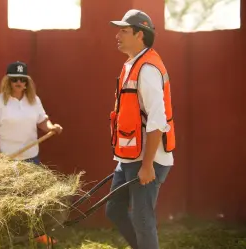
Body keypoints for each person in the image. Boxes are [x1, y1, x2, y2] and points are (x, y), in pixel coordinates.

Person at [106, 9, 176, 249]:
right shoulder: (131, 65)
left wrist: (147, 166)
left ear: (140, 35)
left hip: (149, 159)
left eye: (123, 31)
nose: (117, 35)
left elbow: (158, 120)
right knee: (114, 210)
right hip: (129, 157)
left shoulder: (147, 70)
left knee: (142, 218)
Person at [0, 61, 62, 164]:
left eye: (22, 79)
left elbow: (42, 120)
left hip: (30, 158)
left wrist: (51, 127)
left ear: (27, 82)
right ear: (8, 81)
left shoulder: (34, 99)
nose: (19, 82)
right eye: (14, 79)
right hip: (5, 159)